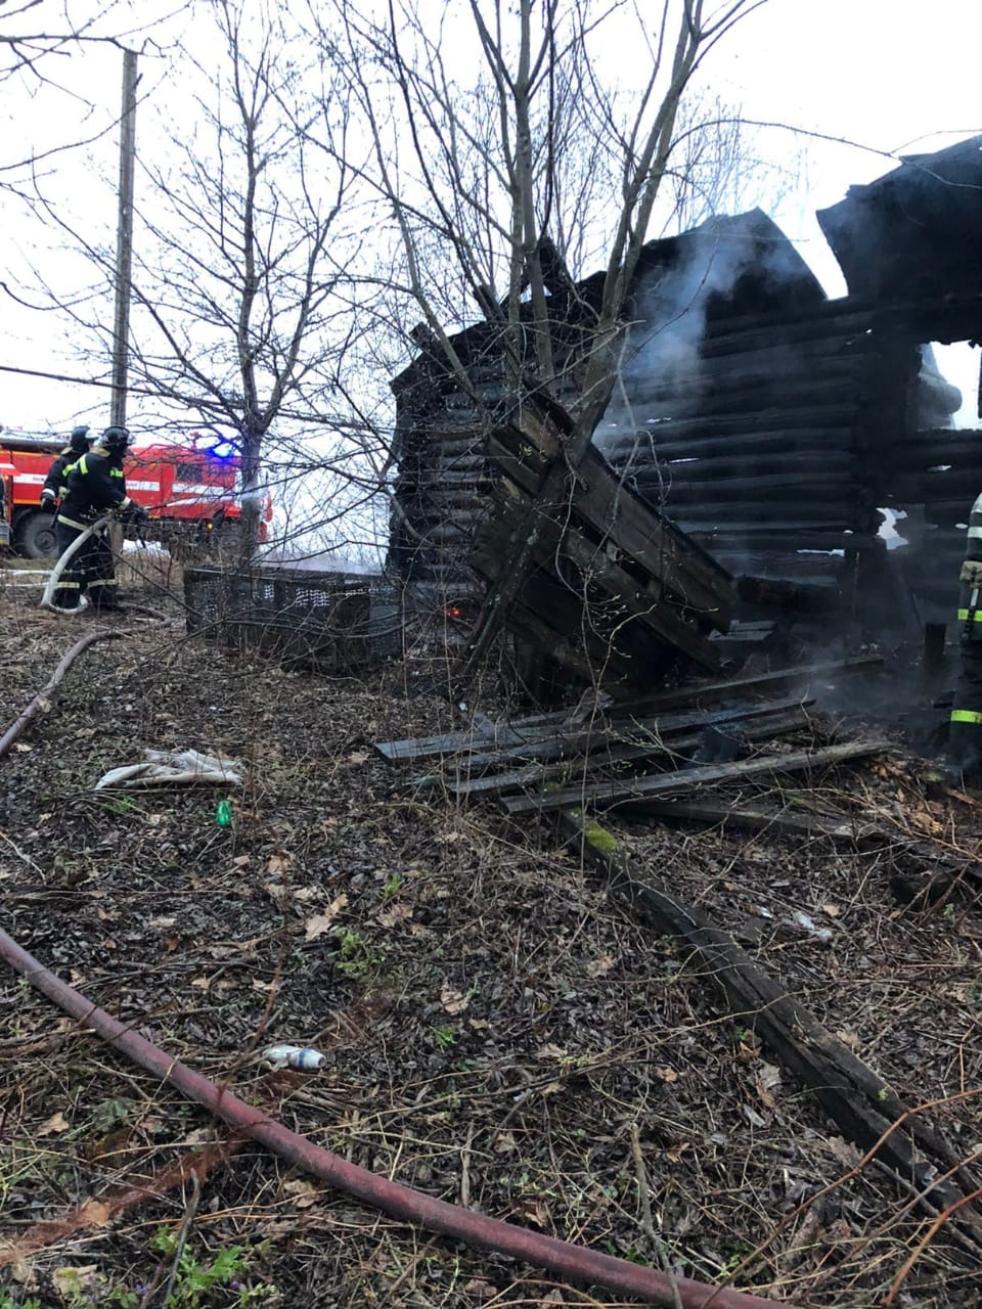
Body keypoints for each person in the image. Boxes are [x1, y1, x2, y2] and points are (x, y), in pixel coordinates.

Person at [51, 426, 146, 612]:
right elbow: (105, 490)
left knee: (101, 562)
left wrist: (129, 511)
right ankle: (65, 602)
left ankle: (105, 603)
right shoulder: (93, 461)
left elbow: (118, 492)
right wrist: (131, 505)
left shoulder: (114, 464)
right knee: (74, 563)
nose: (126, 452)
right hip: (75, 521)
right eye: (124, 447)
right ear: (117, 446)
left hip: (96, 522)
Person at [40, 426, 91, 510]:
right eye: (90, 442)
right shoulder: (64, 461)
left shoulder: (95, 461)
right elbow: (53, 480)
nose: (93, 445)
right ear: (83, 444)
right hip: (72, 508)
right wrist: (48, 496)